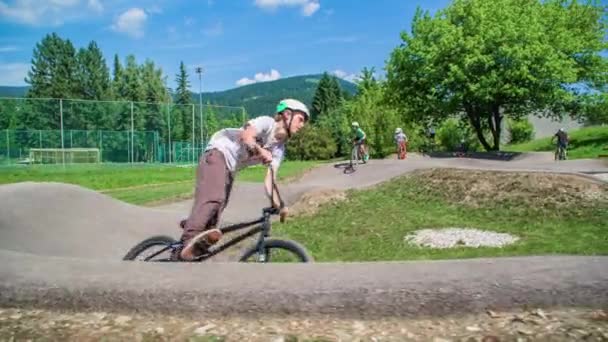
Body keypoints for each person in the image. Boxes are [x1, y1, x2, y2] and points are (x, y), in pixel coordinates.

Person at [176, 99, 310, 261]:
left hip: (230, 168)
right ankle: (185, 244)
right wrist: (260, 150)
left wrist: (279, 205)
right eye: (300, 119)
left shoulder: (279, 149)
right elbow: (246, 135)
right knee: (214, 199)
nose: (302, 125)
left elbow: (270, 181)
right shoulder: (267, 123)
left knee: (213, 221)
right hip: (218, 153)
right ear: (287, 115)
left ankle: (194, 228)